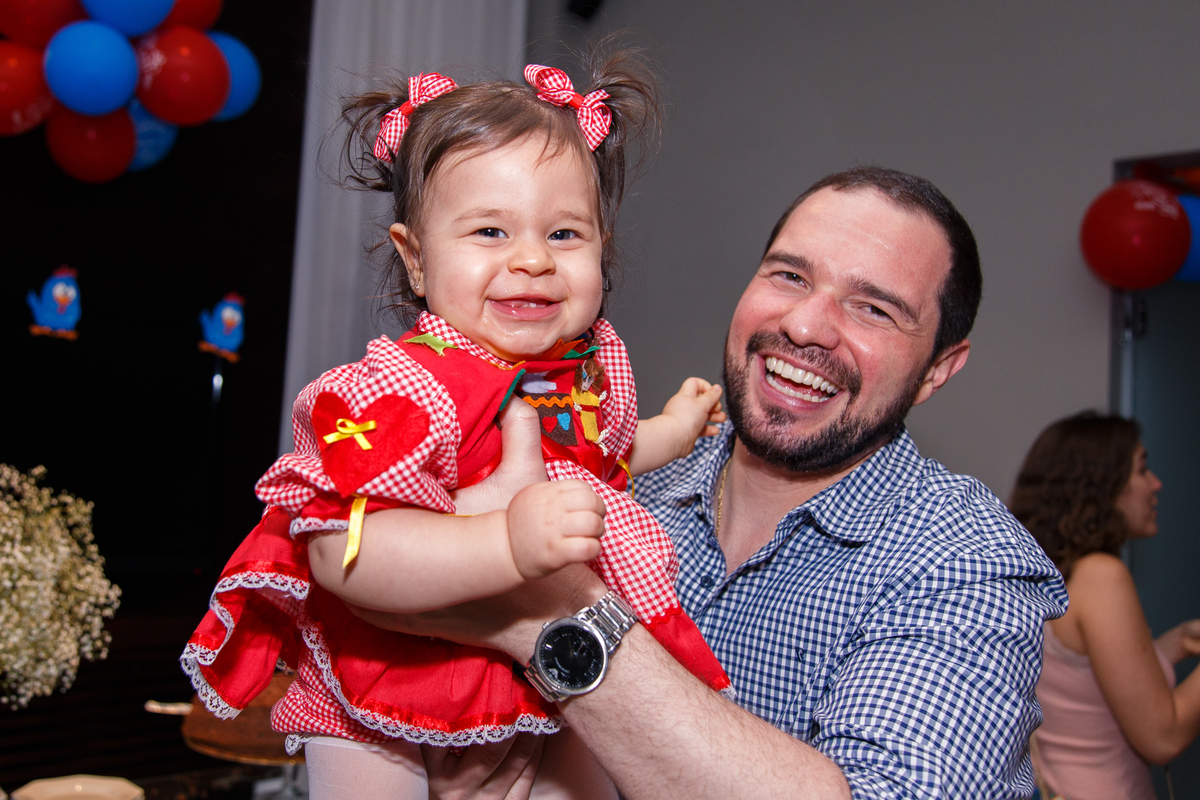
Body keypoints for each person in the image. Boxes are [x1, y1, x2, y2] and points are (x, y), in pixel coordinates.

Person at [353, 166, 1072, 799]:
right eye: (789, 275)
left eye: (873, 308)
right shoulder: (622, 485)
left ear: (939, 370)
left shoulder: (968, 562)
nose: (805, 325)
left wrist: (553, 612)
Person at [180, 49, 734, 800]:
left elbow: (608, 459)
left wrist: (675, 423)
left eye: (565, 234)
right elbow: (345, 556)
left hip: (542, 682)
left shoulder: (592, 369)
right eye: (490, 233)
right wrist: (503, 542)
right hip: (387, 682)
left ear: (605, 248)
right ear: (415, 260)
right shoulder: (409, 388)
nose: (534, 259)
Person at [1010, 412, 1200, 800]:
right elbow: (1162, 736)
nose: (1156, 484)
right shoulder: (1101, 576)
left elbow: (1085, 688)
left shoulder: (1043, 573)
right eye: (1143, 470)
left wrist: (1178, 642)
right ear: (1102, 485)